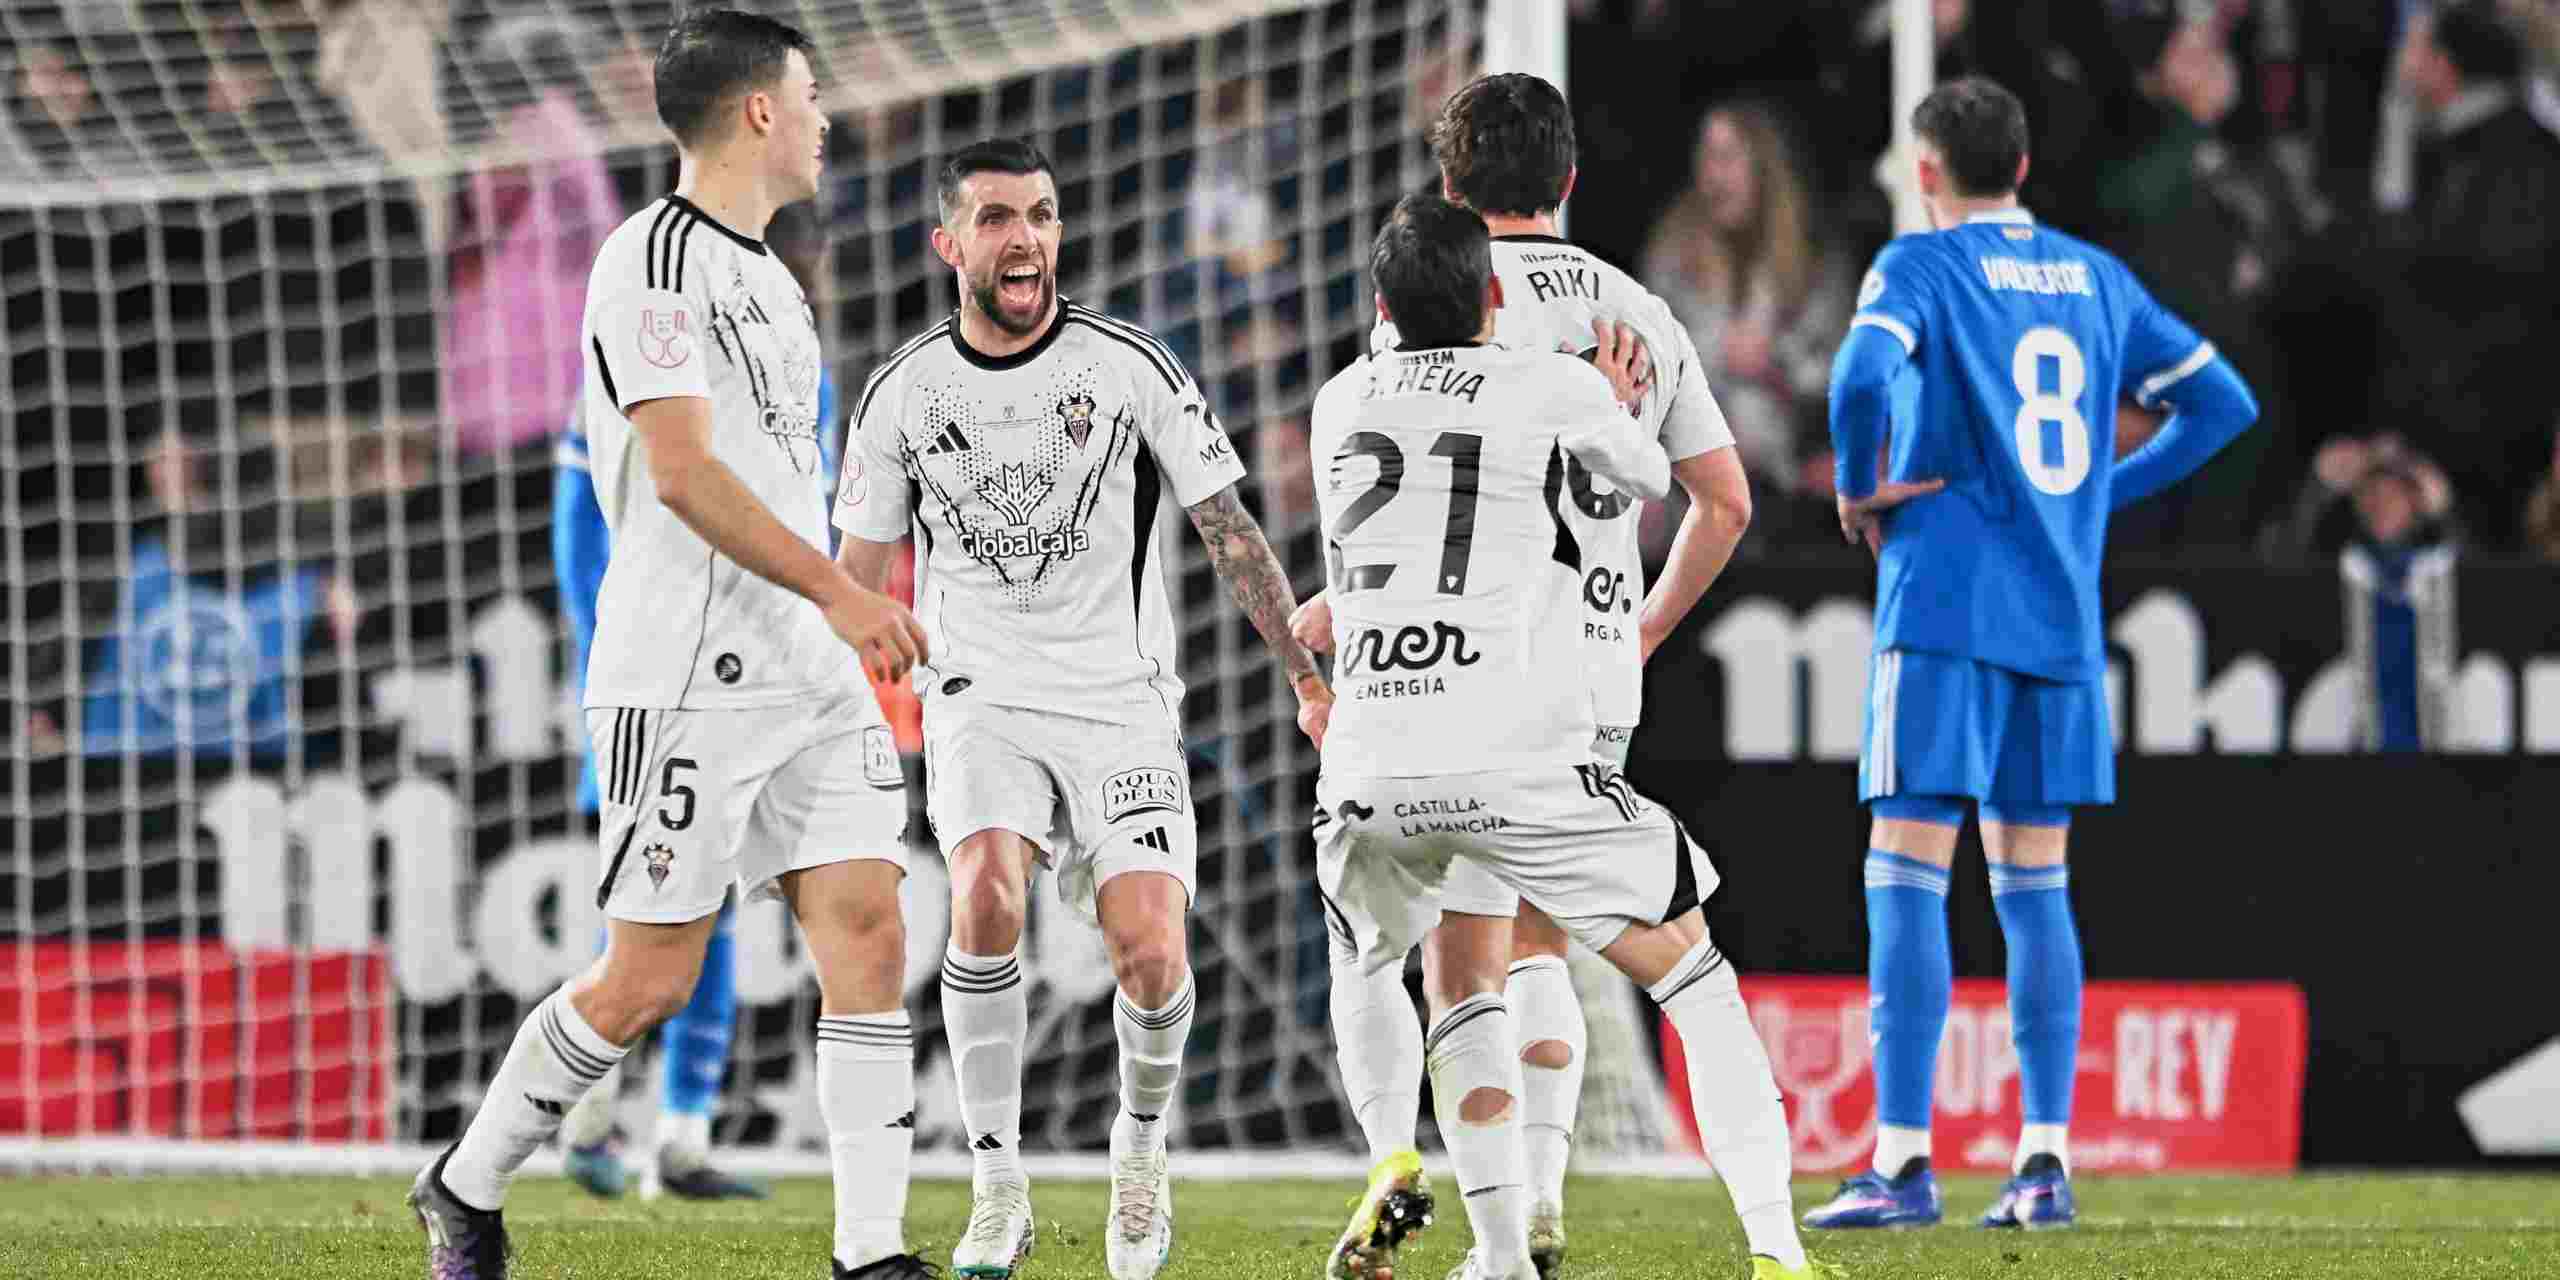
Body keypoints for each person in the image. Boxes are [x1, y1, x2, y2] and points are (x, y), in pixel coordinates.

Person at [407, 13, 935, 1280]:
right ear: (757, 110)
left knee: (868, 929)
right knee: (647, 977)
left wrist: (852, 604)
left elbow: (794, 488)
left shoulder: (777, 283)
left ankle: (869, 1253)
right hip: (690, 675)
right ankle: (465, 1182)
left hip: (807, 672)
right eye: (808, 95)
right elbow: (684, 474)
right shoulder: (648, 261)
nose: (822, 118)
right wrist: (842, 594)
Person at [831, 137, 1329, 1280]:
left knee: (1150, 951)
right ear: (948, 244)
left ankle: (1140, 1148)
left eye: (1043, 216)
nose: (1026, 240)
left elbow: (1228, 531)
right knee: (984, 893)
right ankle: (996, 1181)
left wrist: (1305, 678)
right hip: (979, 692)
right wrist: (826, 705)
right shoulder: (903, 391)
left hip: (1118, 697)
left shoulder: (1129, 366)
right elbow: (853, 575)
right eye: (998, 218)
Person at [1290, 72, 1755, 1280]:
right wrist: (1642, 630)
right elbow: (1722, 502)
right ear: (1569, 179)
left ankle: (1502, 1236)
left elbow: (1401, 485)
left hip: (1460, 669)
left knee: (1465, 957)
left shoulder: (1427, 298)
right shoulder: (1635, 310)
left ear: (1448, 186)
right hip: (1595, 664)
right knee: (1552, 935)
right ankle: (1540, 1207)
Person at [1804, 77, 2258, 1233]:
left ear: (1925, 171)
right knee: (2034, 879)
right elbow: (2222, 404)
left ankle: (1901, 1159)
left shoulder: (1919, 263)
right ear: (2019, 165)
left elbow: (1857, 378)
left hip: (1943, 598)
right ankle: (2043, 1158)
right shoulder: (2095, 277)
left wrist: (1856, 486)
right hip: (2056, 612)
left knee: (1906, 864)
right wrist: (2096, 493)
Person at [544, 204, 847, 1209]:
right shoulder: (654, 352)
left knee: (717, 896)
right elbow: (580, 514)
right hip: (654, 674)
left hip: (750, 670)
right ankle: (579, 1112)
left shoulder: (808, 376)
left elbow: (805, 534)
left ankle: (679, 1133)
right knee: (654, 907)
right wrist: (615, 643)